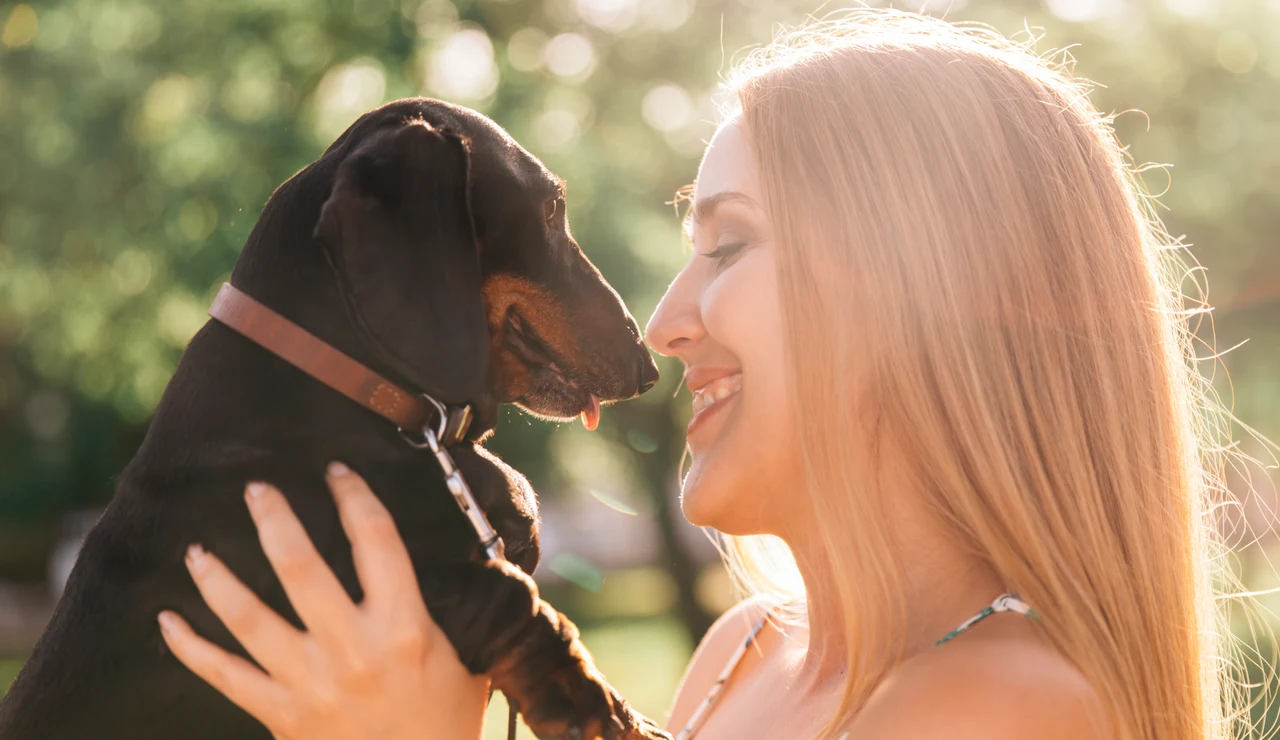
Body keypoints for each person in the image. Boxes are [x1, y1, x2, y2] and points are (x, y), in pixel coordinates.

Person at [155, 10, 1253, 740]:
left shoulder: (1003, 708)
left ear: (921, 289)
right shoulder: (743, 657)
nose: (666, 324)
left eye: (725, 245)